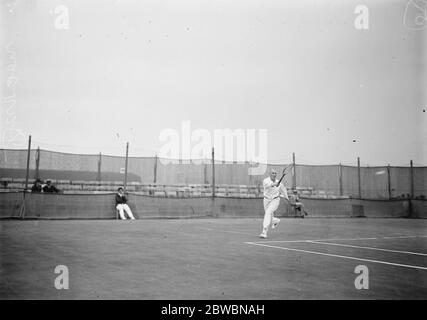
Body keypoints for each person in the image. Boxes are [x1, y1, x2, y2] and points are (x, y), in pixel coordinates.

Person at [259, 169, 289, 239]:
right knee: (269, 215)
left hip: (275, 200)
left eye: (275, 173)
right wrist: (275, 184)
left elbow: (283, 190)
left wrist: (286, 197)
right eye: (273, 173)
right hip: (266, 199)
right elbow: (269, 185)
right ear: (270, 174)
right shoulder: (265, 181)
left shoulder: (280, 183)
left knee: (268, 212)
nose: (274, 174)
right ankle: (275, 220)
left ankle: (264, 231)